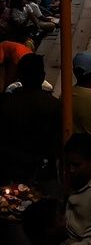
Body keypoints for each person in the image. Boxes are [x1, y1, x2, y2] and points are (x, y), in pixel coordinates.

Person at [0, 53, 62, 188]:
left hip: (13, 170)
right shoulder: (53, 105)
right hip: (43, 173)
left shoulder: (7, 102)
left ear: (20, 76)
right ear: (42, 77)